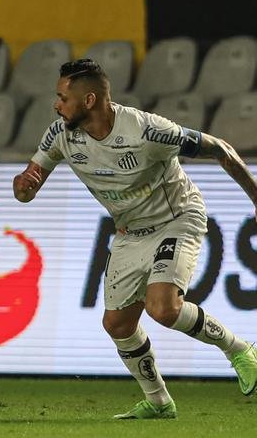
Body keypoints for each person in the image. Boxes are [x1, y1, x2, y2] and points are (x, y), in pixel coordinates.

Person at [15, 58, 257, 419]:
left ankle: (239, 349)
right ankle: (159, 402)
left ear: (90, 100)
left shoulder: (147, 131)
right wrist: (25, 186)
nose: (57, 104)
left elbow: (219, 148)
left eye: (63, 97)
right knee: (117, 324)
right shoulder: (61, 135)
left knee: (163, 308)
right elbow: (28, 182)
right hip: (130, 231)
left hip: (177, 218)